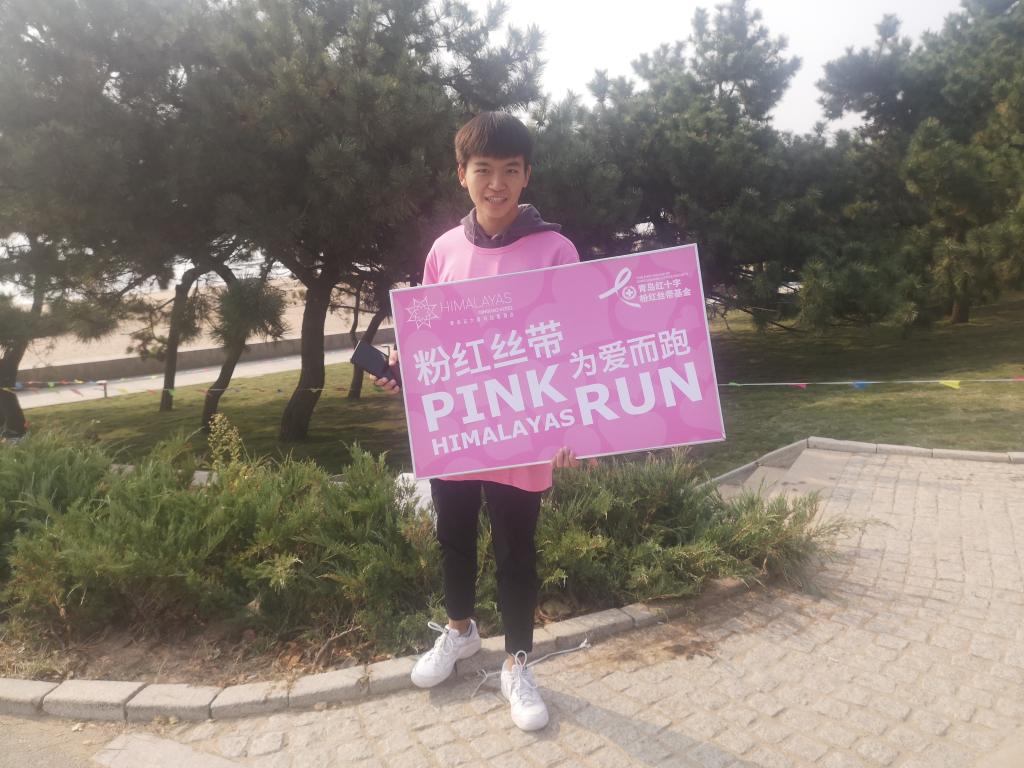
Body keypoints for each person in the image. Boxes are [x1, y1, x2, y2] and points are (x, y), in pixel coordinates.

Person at [373, 111, 589, 731]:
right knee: (454, 536)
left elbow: (579, 341)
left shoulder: (556, 250)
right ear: (461, 174)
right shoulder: (444, 249)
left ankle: (517, 663)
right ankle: (460, 632)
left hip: (525, 431)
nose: (497, 183)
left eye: (510, 171)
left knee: (517, 549)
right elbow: (431, 333)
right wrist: (403, 364)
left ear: (527, 176)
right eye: (483, 169)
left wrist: (573, 428)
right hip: (460, 430)